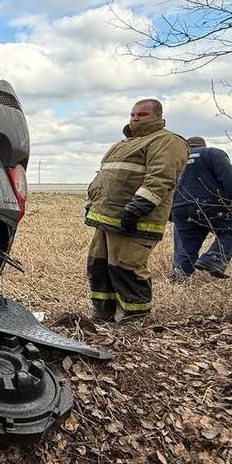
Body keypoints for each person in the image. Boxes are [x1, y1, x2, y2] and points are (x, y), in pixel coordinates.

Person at [85, 99, 189, 320]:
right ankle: (103, 314)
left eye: (142, 114)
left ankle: (134, 319)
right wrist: (92, 203)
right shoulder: (122, 144)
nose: (135, 119)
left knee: (126, 268)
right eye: (132, 114)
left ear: (158, 116)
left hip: (136, 220)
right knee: (99, 266)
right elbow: (105, 177)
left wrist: (137, 208)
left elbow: (160, 178)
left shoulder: (167, 141)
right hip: (108, 218)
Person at [170, 137, 232, 280]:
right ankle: (213, 259)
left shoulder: (174, 161)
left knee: (185, 247)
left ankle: (179, 278)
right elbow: (230, 178)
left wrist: (170, 213)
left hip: (180, 209)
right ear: (203, 145)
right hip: (210, 205)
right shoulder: (211, 154)